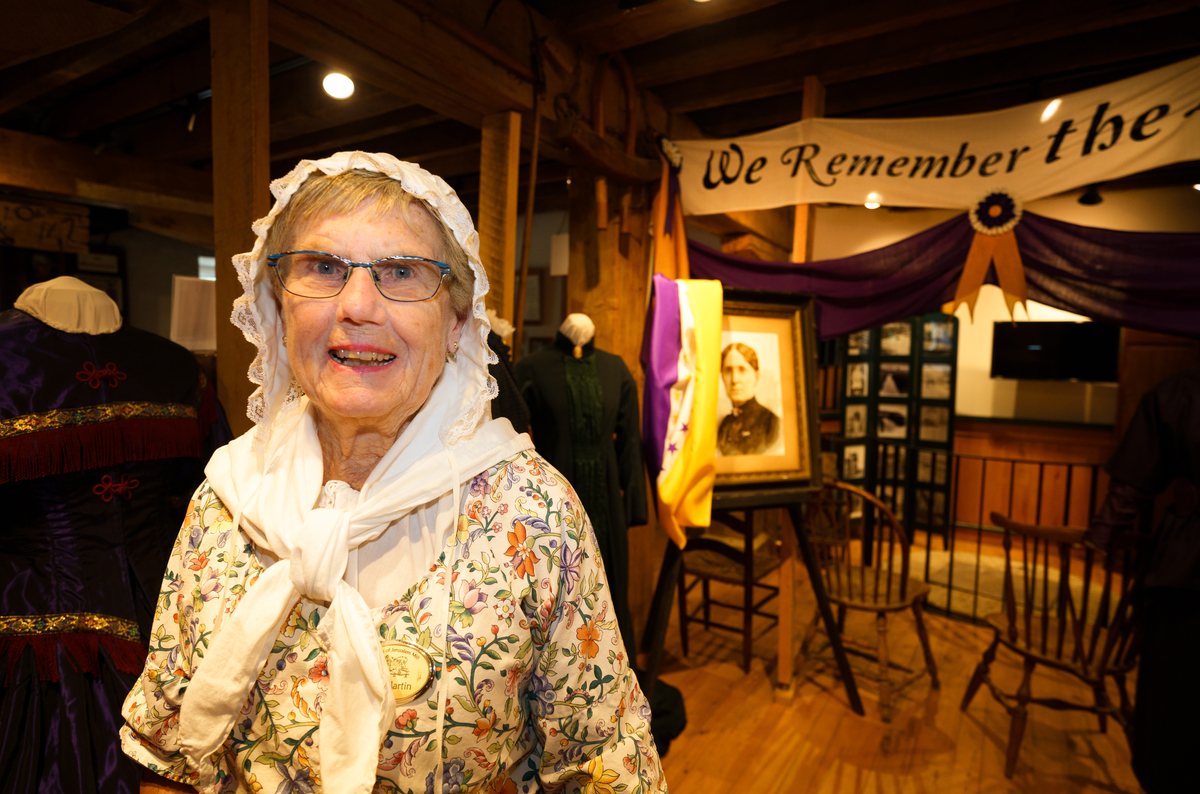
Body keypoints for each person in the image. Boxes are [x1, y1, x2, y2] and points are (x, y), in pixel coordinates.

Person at [120, 153, 664, 794]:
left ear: (458, 321)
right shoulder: (227, 498)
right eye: (323, 267)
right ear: (278, 304)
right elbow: (167, 753)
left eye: (401, 272)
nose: (356, 306)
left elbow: (604, 765)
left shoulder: (533, 514)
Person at [0, 276, 229, 794]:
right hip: (163, 620)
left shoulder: (9, 360)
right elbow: (210, 492)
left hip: (30, 615)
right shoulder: (171, 366)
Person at [1085, 366, 1200, 794]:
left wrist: (1101, 536)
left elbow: (1132, 482)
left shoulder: (1181, 392)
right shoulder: (1180, 393)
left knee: (1179, 706)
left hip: (1188, 575)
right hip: (1187, 575)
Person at [716, 342, 781, 456]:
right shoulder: (724, 424)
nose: (734, 380)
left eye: (742, 370)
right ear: (722, 377)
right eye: (728, 370)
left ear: (756, 376)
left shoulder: (771, 422)